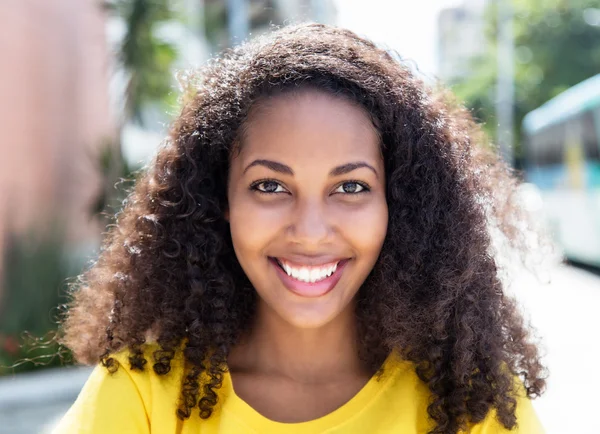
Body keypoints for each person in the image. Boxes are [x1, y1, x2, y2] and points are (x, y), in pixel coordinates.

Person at [54, 23, 546, 434]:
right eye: (270, 186)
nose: (310, 233)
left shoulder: (470, 401)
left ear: (399, 204)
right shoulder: (140, 395)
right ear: (219, 198)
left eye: (351, 188)